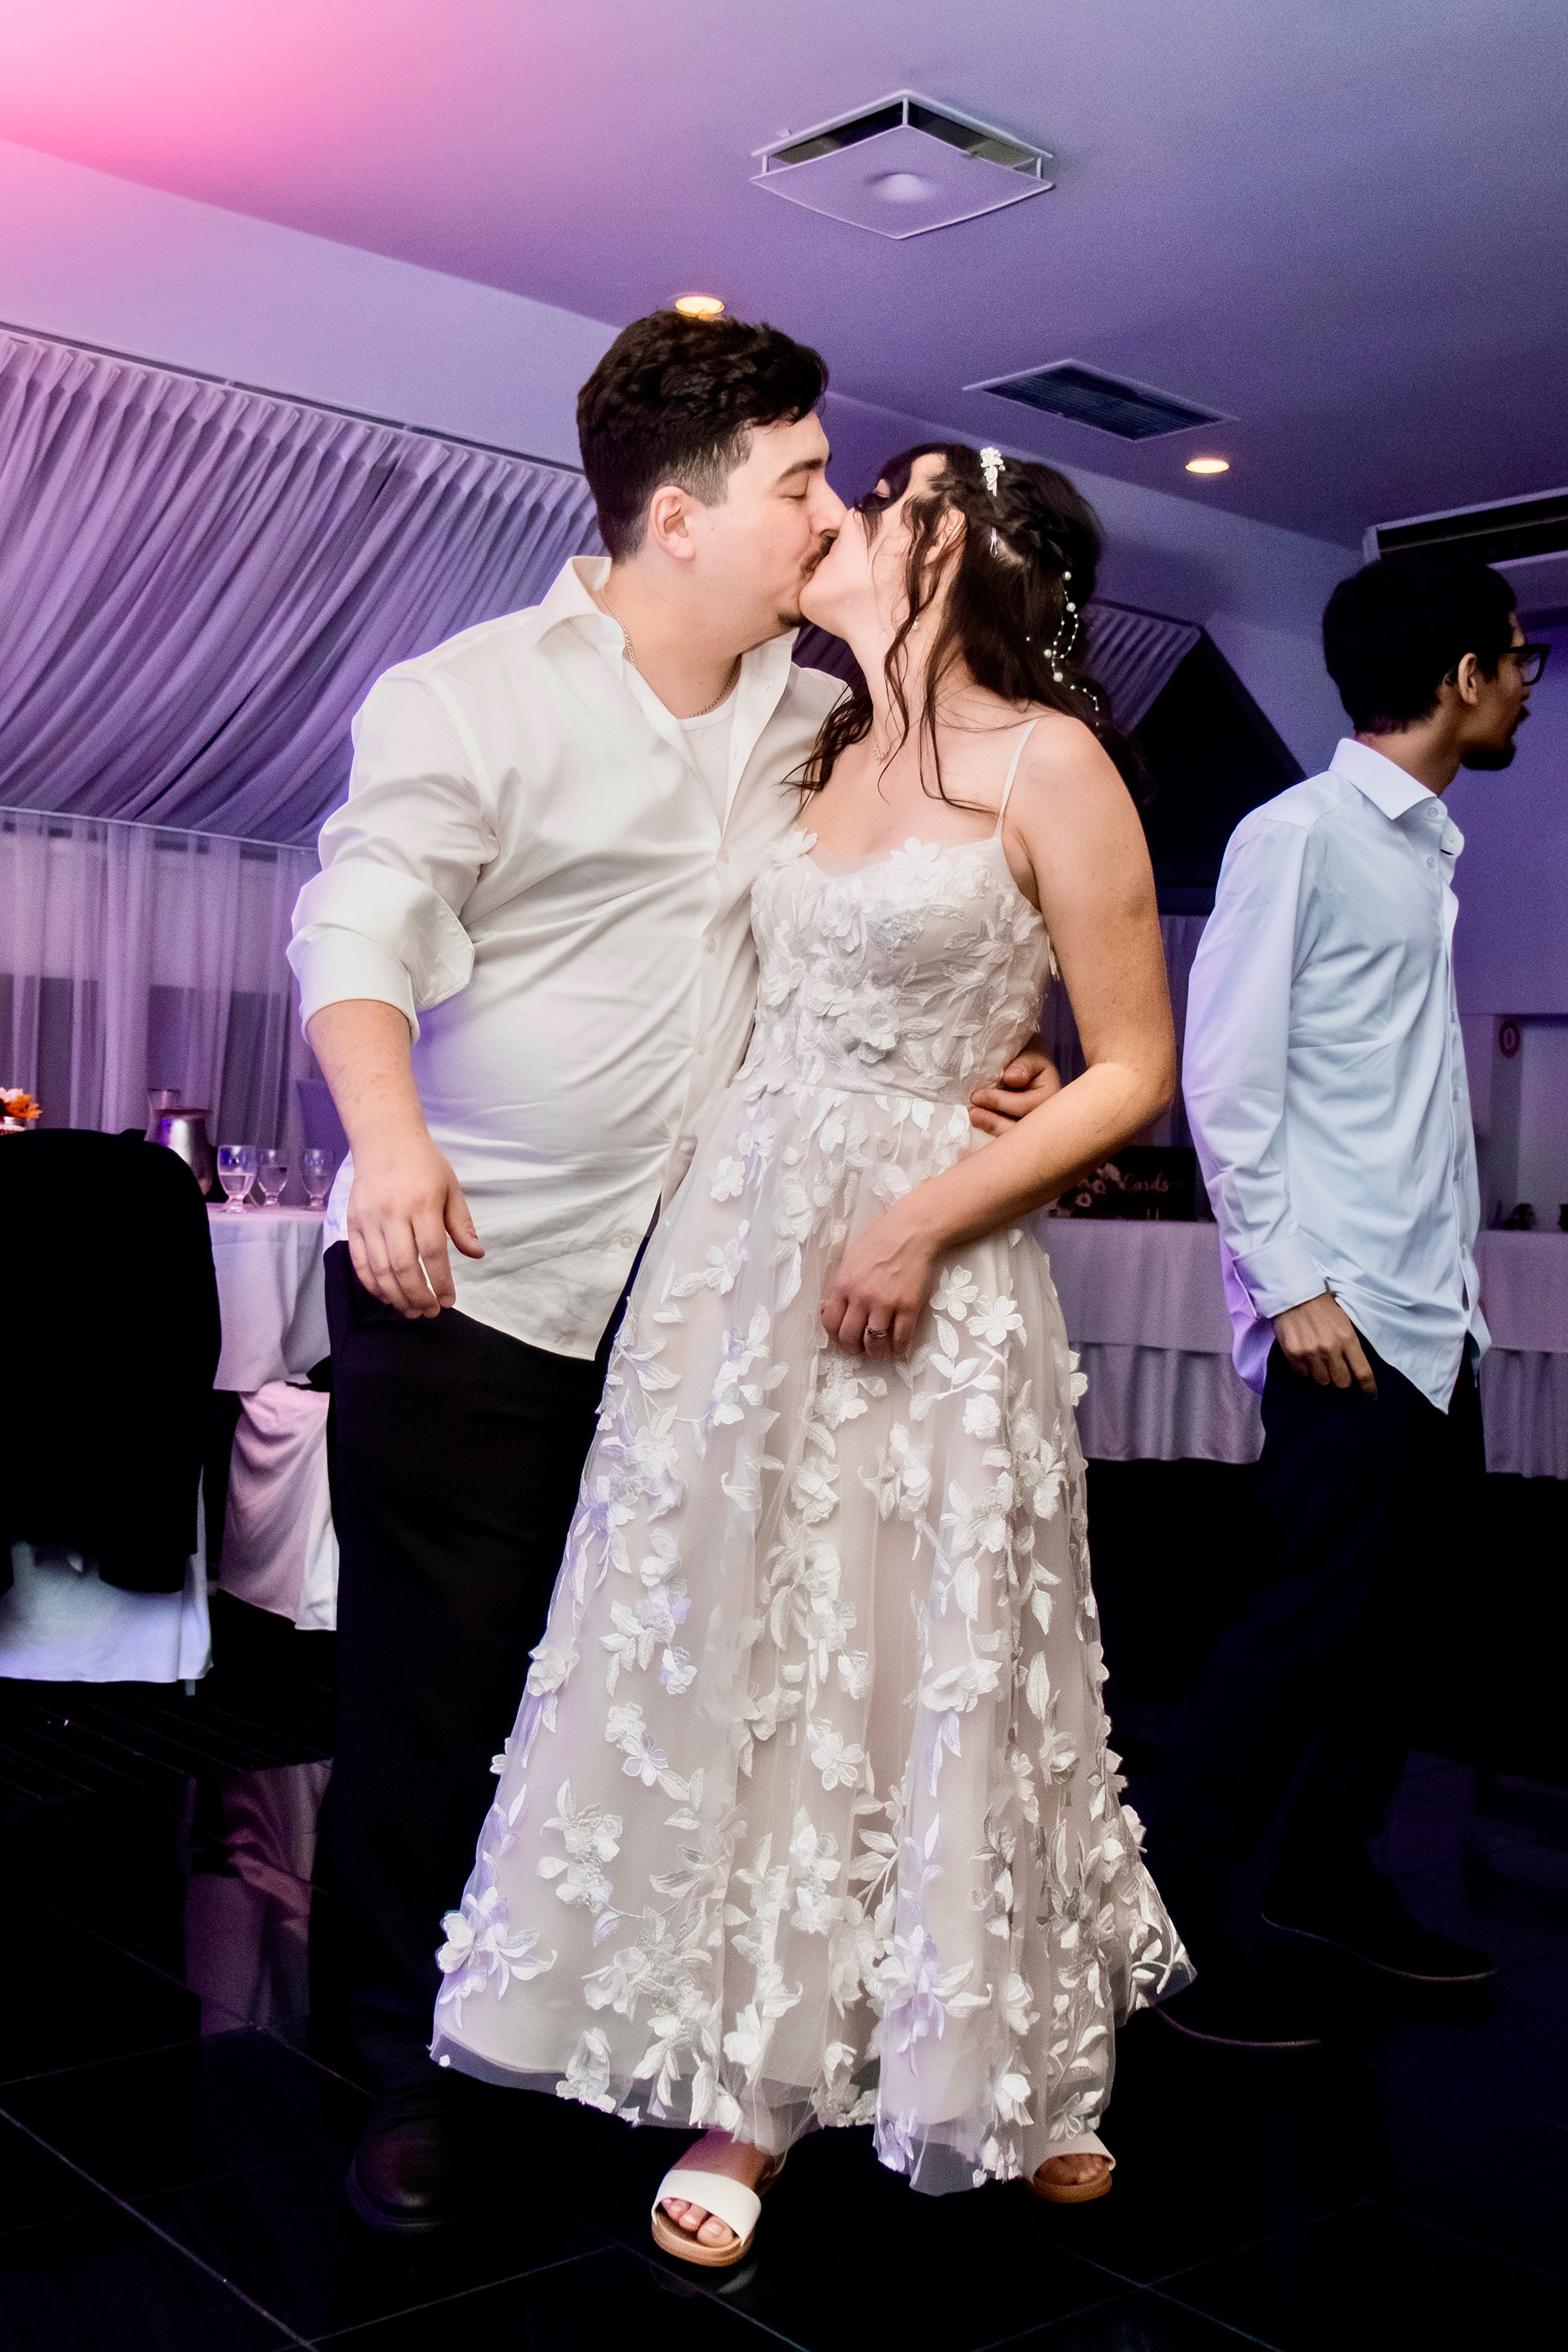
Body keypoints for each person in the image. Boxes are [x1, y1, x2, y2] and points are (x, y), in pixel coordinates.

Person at [288, 316, 1058, 2232]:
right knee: (438, 1700)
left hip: (718, 1320)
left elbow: (902, 921)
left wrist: (997, 1064)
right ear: (678, 516)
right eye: (800, 482)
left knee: (665, 1688)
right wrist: (390, 1136)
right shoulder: (468, 697)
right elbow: (360, 918)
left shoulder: (822, 720)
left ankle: (608, 2021)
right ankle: (404, 2062)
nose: (830, 513)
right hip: (481, 1286)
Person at [430, 441, 1192, 2262]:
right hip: (740, 1244)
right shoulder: (806, 739)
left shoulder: (1053, 763)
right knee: (744, 1638)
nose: (844, 509)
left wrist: (932, 1212)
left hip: (930, 1255)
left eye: (895, 494)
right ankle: (752, 2076)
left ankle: (1008, 2052)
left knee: (935, 1649)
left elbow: (1133, 1068)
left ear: (965, 554)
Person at [1152, 550, 1542, 2049]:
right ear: (1462, 678)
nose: (1526, 684)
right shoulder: (1297, 835)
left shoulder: (1423, 847)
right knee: (1299, 1625)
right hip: (1348, 1311)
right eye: (1516, 658)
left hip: (1437, 1312)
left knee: (1413, 1627)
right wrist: (1293, 1284)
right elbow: (1227, 1078)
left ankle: (1323, 1877)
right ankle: (1177, 1921)